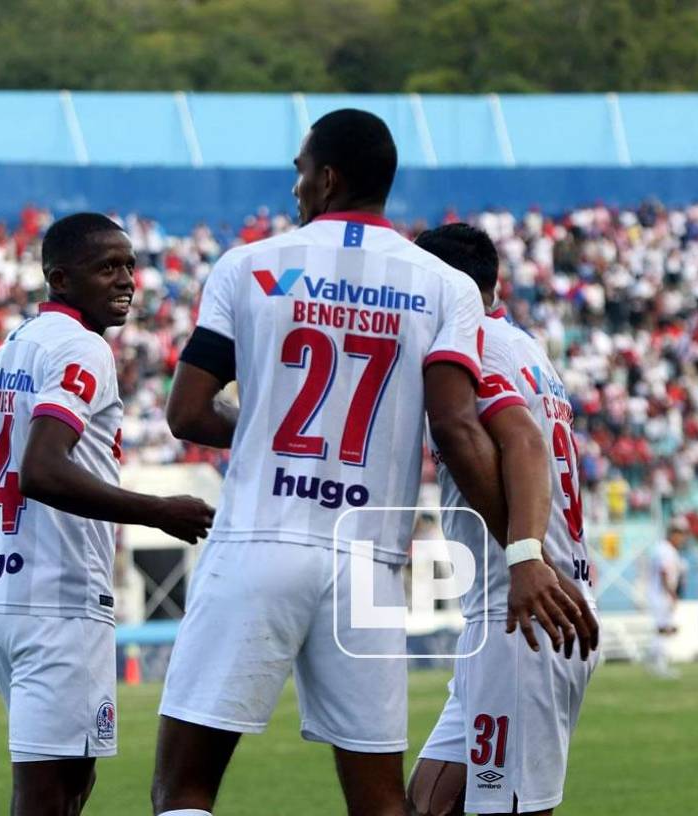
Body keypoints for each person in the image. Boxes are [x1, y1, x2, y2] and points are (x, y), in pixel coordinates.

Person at [153, 110, 584, 816]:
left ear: (326, 178)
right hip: (367, 565)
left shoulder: (251, 265)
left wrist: (265, 427)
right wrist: (525, 551)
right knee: (382, 804)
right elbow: (454, 426)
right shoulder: (442, 286)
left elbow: (188, 413)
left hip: (261, 538)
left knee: (185, 788)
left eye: (299, 171)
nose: (294, 186)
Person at [0, 213, 214, 816]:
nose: (126, 279)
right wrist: (158, 512)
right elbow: (40, 469)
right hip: (56, 596)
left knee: (69, 784)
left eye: (129, 264)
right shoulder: (83, 348)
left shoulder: (8, 353)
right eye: (108, 267)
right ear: (61, 279)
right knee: (48, 797)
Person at [407, 224, 599, 816]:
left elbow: (524, 444)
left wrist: (525, 557)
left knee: (507, 809)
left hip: (522, 610)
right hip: (517, 610)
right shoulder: (524, 346)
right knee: (428, 805)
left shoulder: (476, 344)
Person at [646, 517, 688, 679]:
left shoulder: (664, 549)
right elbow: (664, 572)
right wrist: (672, 593)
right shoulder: (666, 550)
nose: (683, 538)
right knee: (663, 628)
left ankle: (654, 659)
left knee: (663, 628)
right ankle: (659, 664)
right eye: (681, 534)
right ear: (673, 534)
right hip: (661, 594)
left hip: (660, 593)